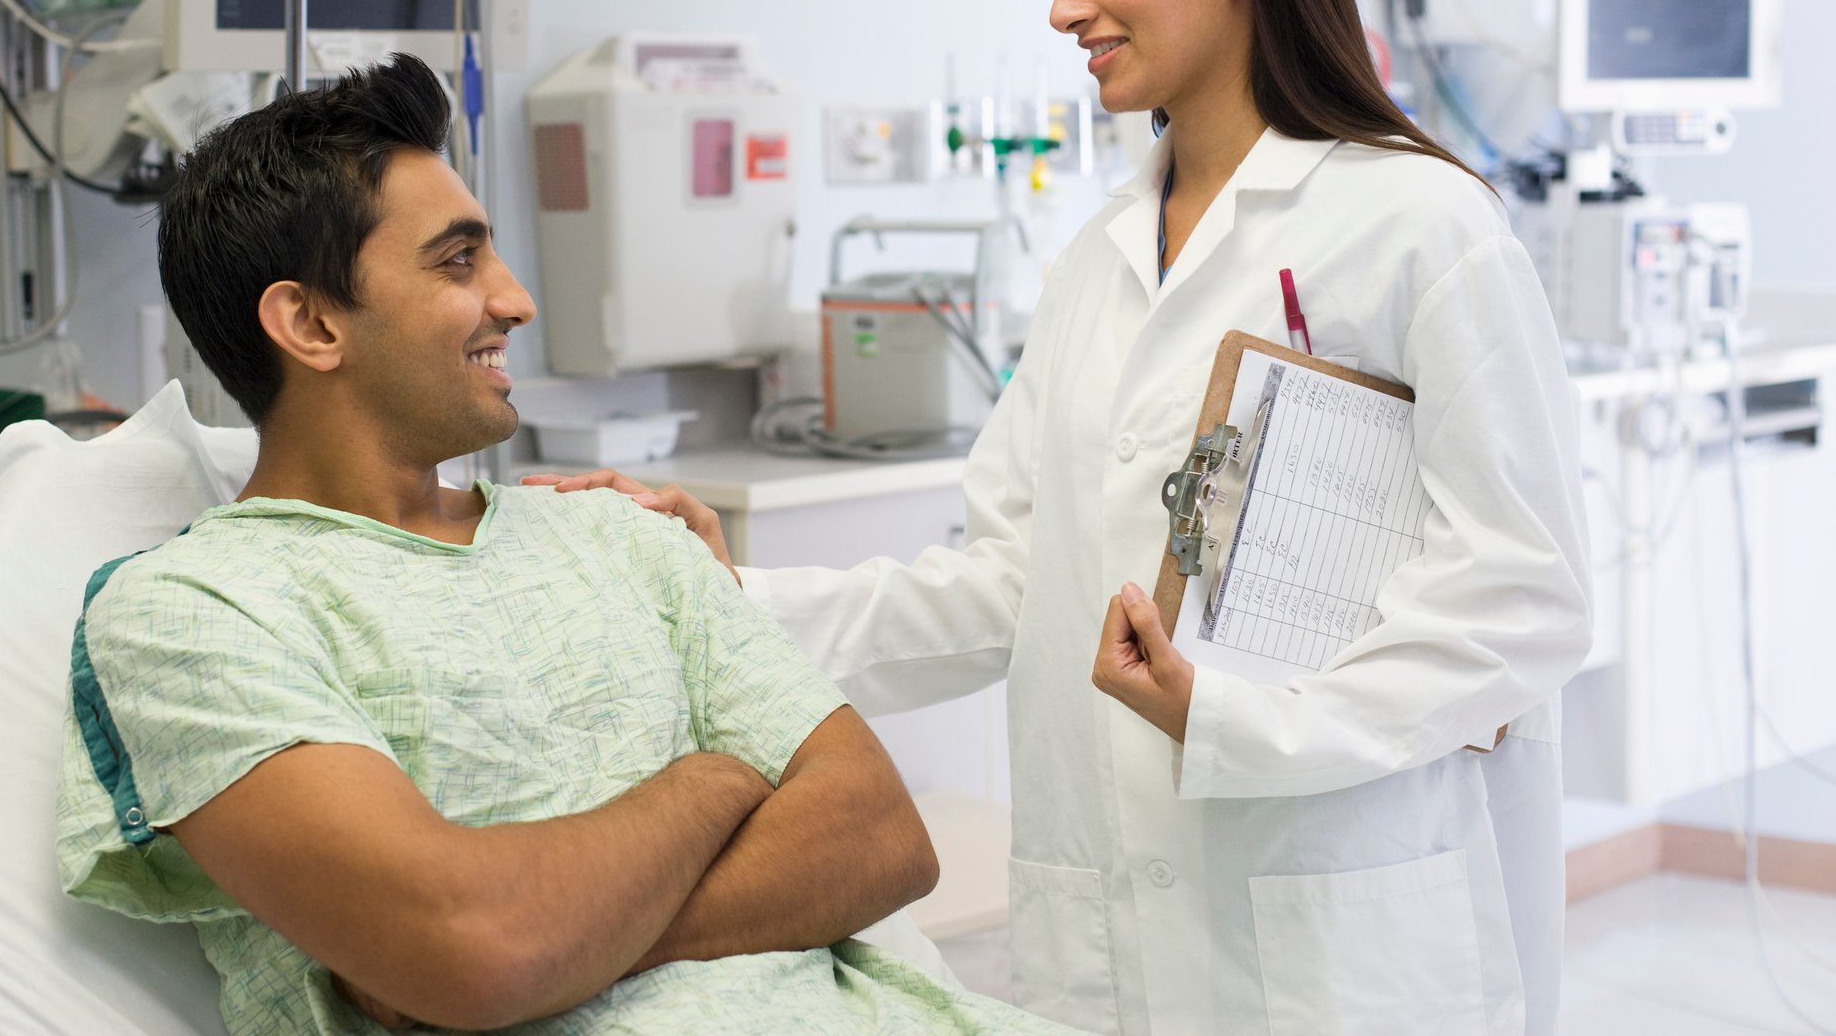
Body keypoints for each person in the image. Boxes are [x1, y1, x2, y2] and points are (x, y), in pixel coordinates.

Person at [533, 0, 1592, 1036]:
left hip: (1336, 908)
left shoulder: (1419, 226)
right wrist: (724, 597)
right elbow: (1010, 583)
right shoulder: (1098, 261)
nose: (1062, 6)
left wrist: (1240, 720)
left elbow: (1524, 593)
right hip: (1112, 919)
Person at [55, 56, 1081, 1036]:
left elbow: (880, 837)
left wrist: (565, 935)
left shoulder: (614, 529)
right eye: (458, 261)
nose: (516, 298)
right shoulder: (195, 612)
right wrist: (718, 778)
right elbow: (473, 943)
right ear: (312, 324)